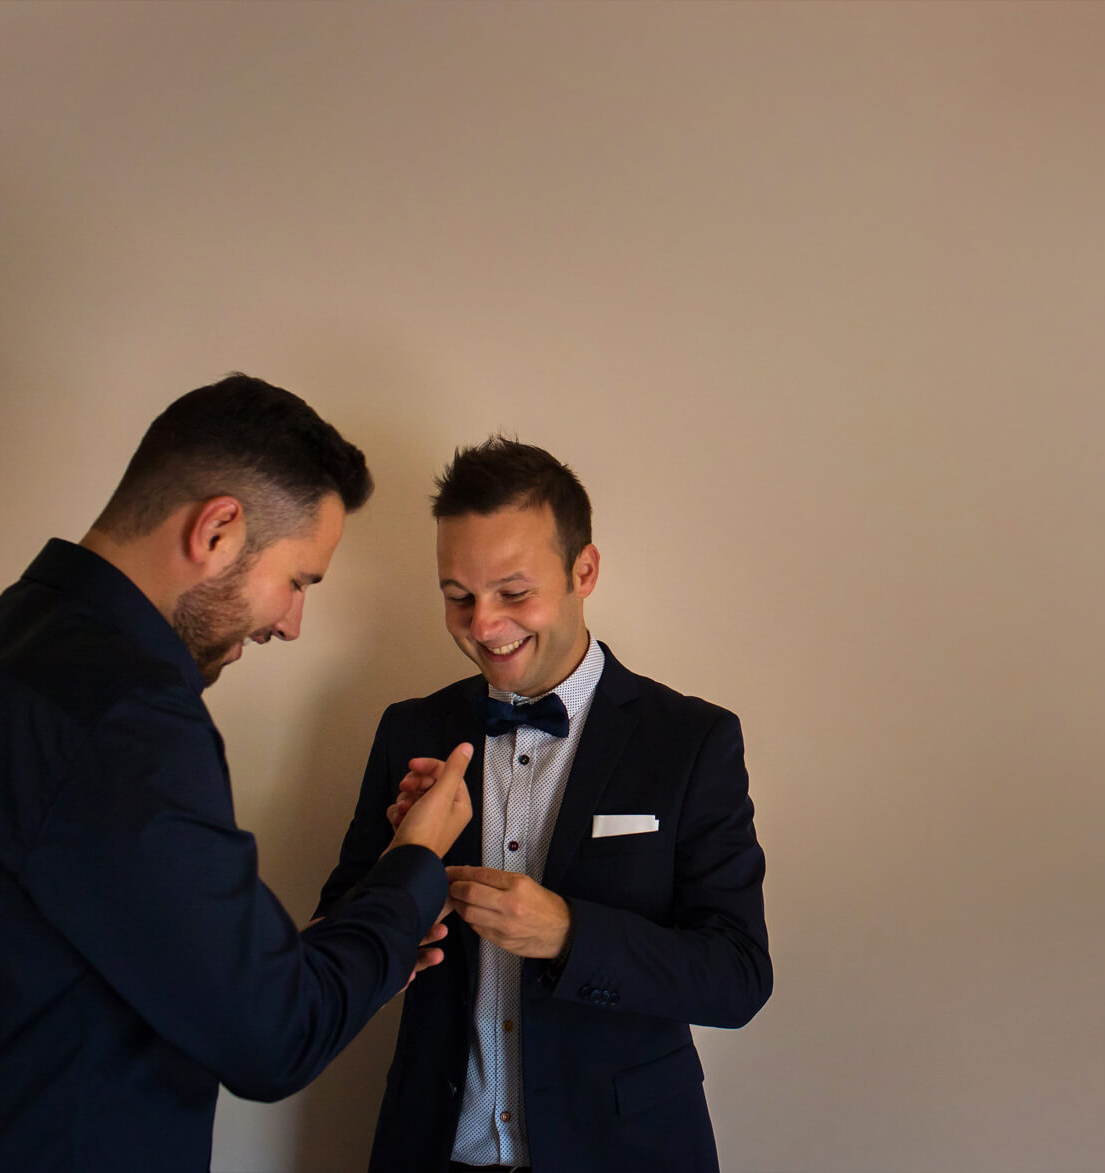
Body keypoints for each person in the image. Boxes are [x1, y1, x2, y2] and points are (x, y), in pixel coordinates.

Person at [0, 375, 474, 1171]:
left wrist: (327, 951)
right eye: (297, 581)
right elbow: (275, 1036)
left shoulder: (3, 638)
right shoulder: (131, 716)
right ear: (217, 529)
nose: (292, 622)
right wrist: (413, 867)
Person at [315, 437, 771, 1173]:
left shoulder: (691, 740)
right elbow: (337, 942)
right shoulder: (410, 730)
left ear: (583, 571)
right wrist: (403, 872)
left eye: (513, 592)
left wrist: (569, 934)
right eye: (458, 596)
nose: (483, 625)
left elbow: (738, 976)